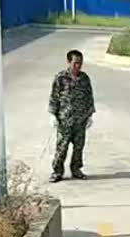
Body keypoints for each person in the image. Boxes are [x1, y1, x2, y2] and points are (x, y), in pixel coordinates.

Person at [48, 49, 96, 183]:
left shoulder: (84, 78)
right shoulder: (60, 78)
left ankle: (76, 169)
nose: (78, 66)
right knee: (61, 147)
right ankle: (57, 171)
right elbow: (54, 97)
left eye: (80, 63)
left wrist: (90, 115)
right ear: (69, 62)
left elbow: (89, 97)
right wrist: (53, 115)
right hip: (65, 120)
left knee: (79, 147)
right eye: (75, 63)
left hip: (80, 120)